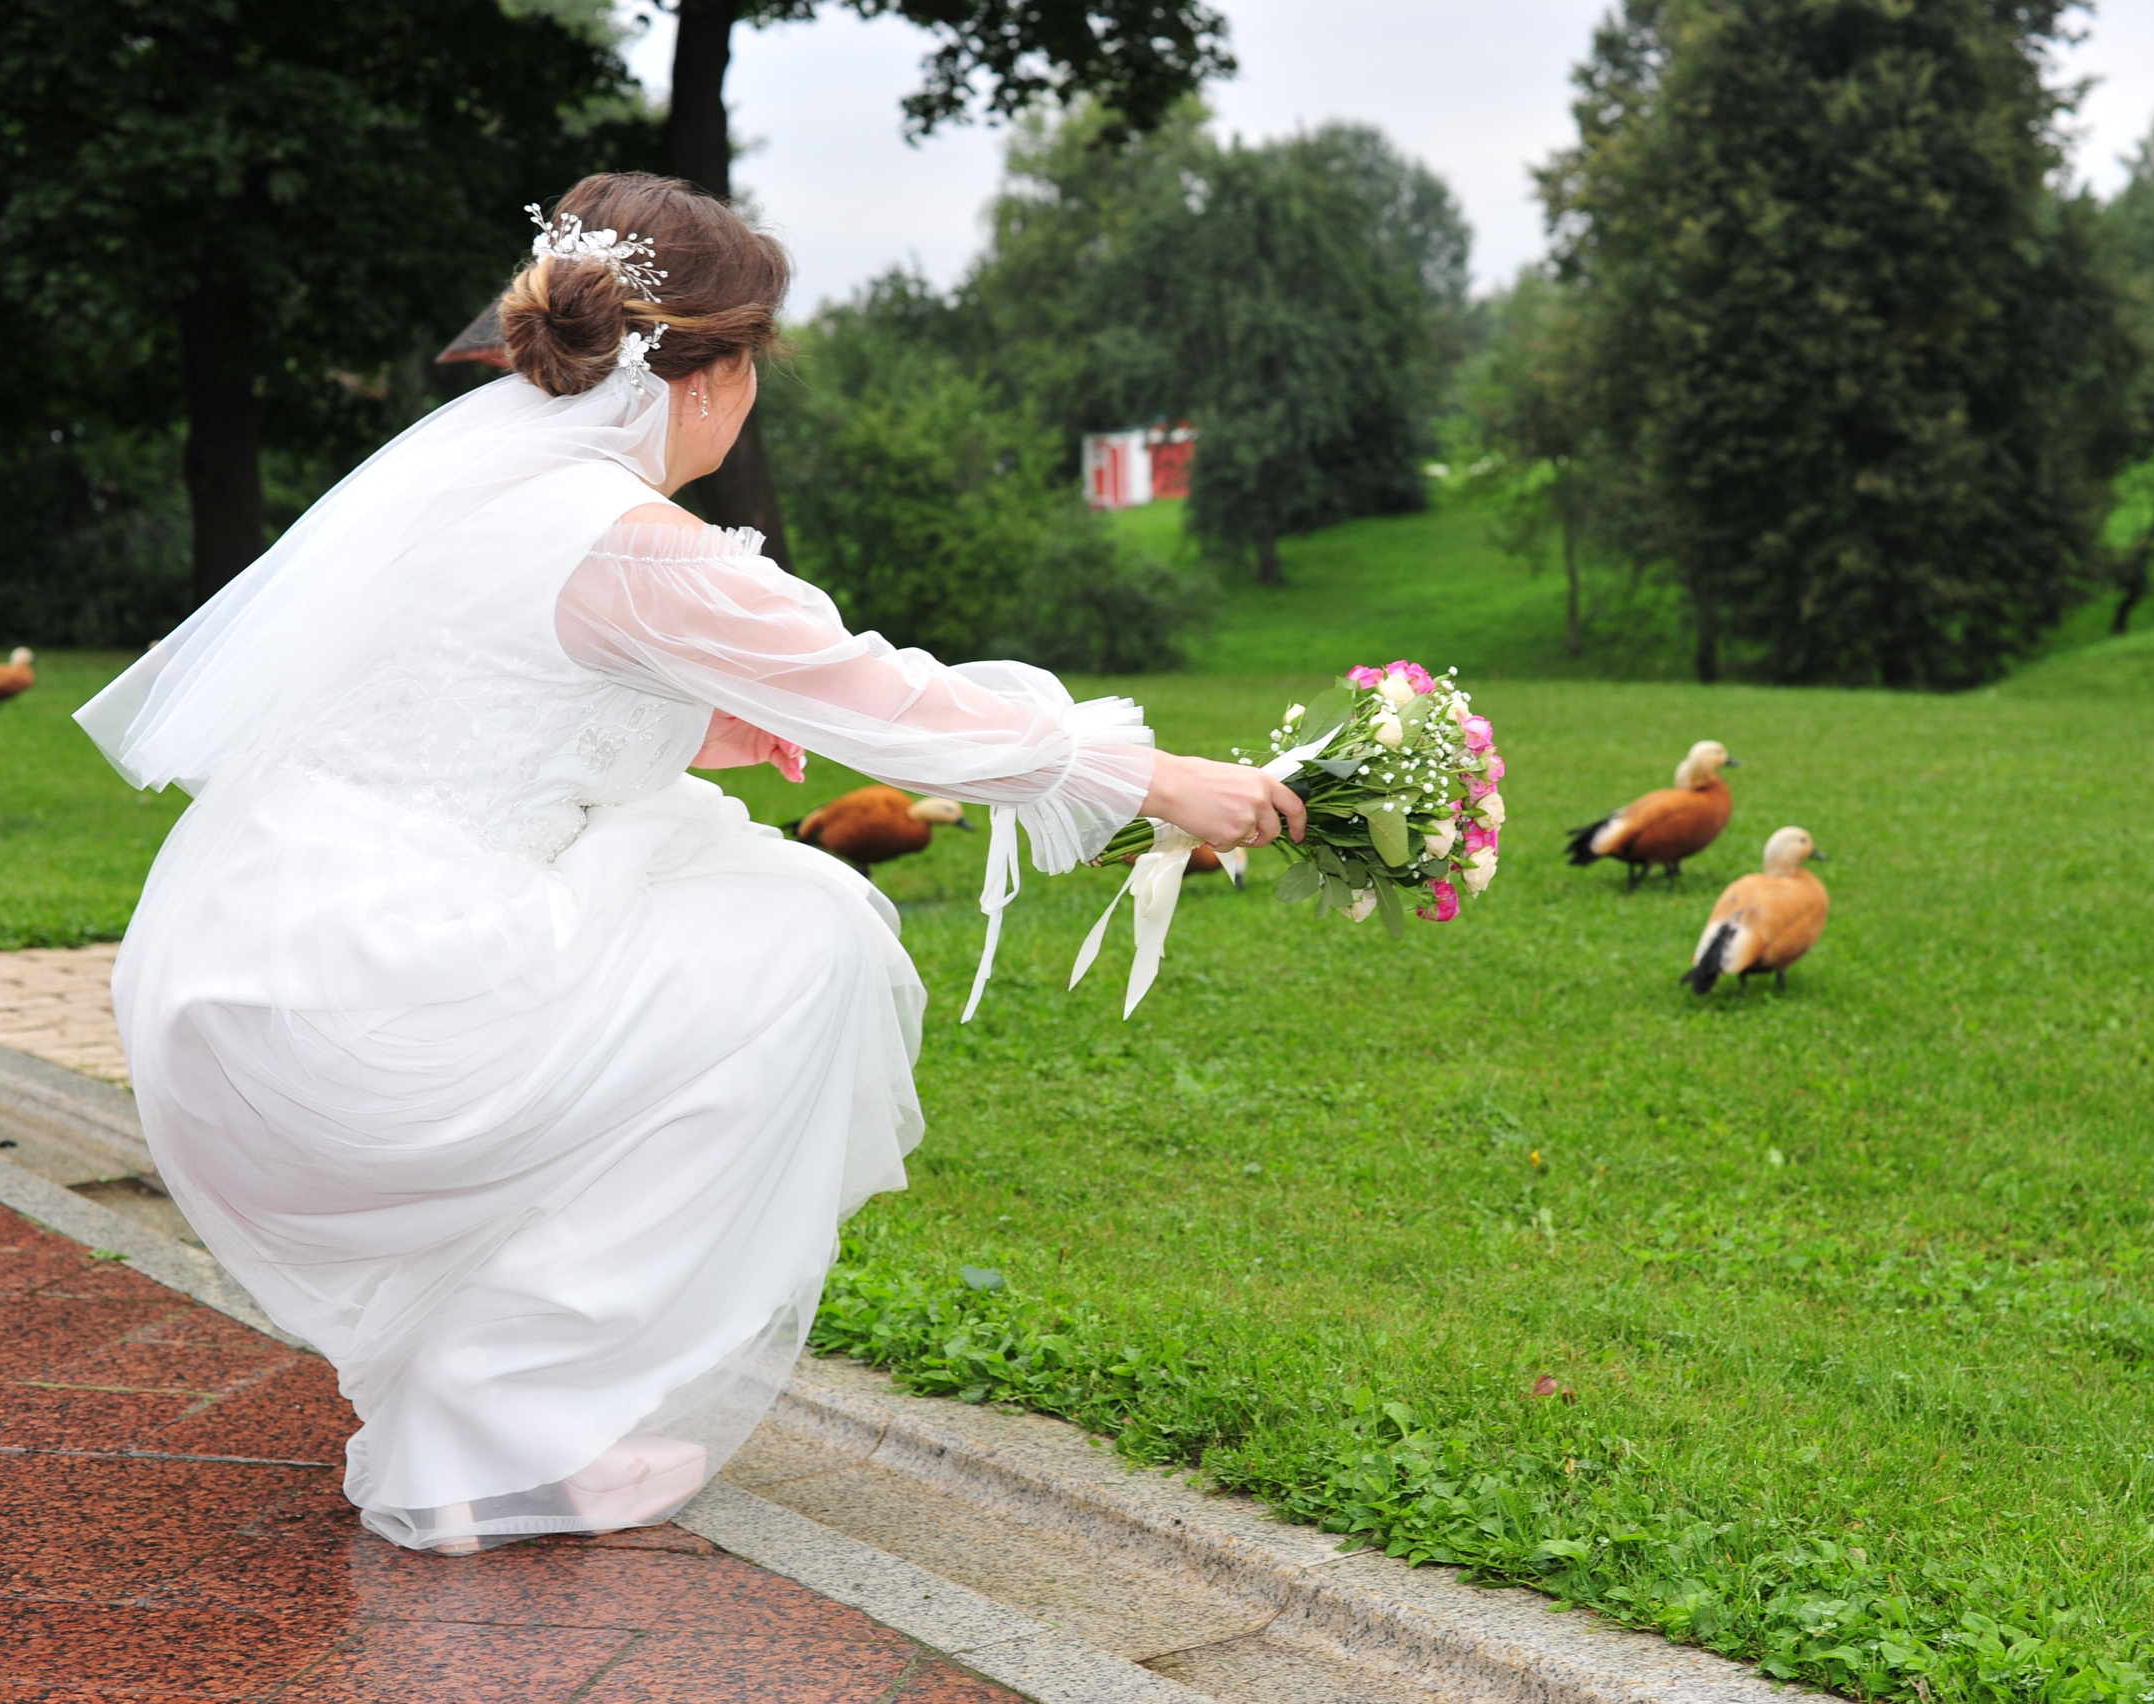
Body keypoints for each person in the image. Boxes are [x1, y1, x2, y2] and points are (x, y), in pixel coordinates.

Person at [75, 173, 1301, 1554]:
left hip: (247, 956)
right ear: (714, 373)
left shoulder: (476, 485)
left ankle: (487, 1389)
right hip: (381, 1003)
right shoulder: (638, 546)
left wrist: (694, 720)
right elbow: (890, 703)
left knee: (728, 894)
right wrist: (1167, 782)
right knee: (811, 943)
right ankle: (494, 1420)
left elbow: (477, 694)